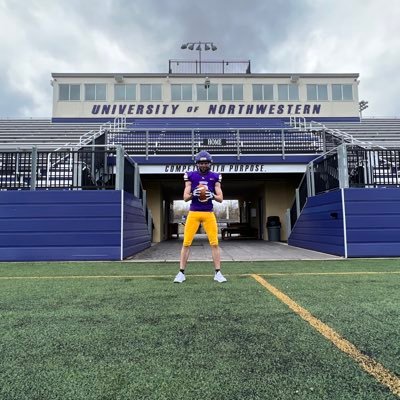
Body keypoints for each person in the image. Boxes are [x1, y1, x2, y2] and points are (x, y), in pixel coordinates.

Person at [174, 150, 227, 283]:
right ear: (197, 164)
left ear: (210, 163)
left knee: (214, 243)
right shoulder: (190, 175)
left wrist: (212, 195)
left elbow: (220, 198)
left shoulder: (215, 176)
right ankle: (181, 273)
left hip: (209, 213)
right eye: (201, 163)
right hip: (194, 213)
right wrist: (194, 193)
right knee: (186, 243)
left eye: (206, 163)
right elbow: (185, 198)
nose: (203, 165)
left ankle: (218, 273)